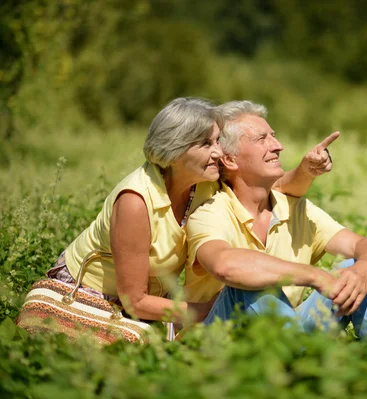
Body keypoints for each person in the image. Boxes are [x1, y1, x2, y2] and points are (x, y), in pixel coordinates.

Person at [33, 97, 336, 325]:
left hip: (151, 301)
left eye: (217, 141)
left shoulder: (203, 181)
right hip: (92, 297)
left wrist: (307, 170)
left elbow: (275, 187)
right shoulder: (135, 201)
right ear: (175, 151)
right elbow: (133, 300)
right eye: (206, 144)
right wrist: (205, 313)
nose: (218, 152)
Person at [185, 101, 367, 336]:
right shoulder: (209, 212)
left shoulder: (295, 208)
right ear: (229, 160)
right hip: (218, 345)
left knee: (354, 270)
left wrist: (364, 269)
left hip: (287, 335)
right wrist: (314, 276)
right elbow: (226, 266)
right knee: (252, 281)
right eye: (262, 139)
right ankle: (302, 365)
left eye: (274, 136)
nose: (278, 146)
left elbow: (366, 246)